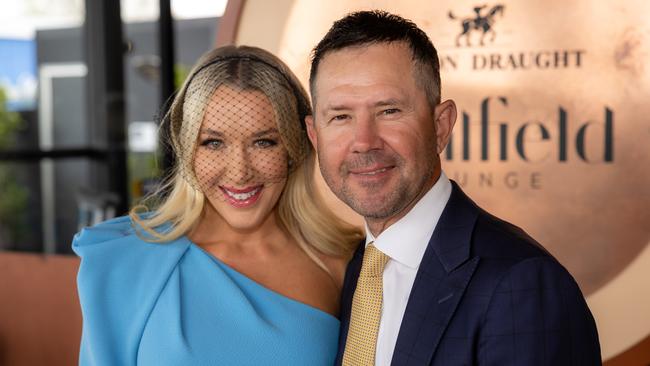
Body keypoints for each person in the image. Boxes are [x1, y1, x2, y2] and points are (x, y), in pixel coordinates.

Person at [305, 10, 601, 365]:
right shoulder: (350, 271)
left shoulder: (522, 284)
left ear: (441, 126)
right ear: (315, 136)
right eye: (340, 117)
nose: (364, 142)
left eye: (389, 111)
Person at [72, 45, 363, 365]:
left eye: (263, 142)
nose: (239, 171)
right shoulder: (127, 261)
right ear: (187, 149)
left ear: (295, 146)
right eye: (213, 143)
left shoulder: (341, 263)